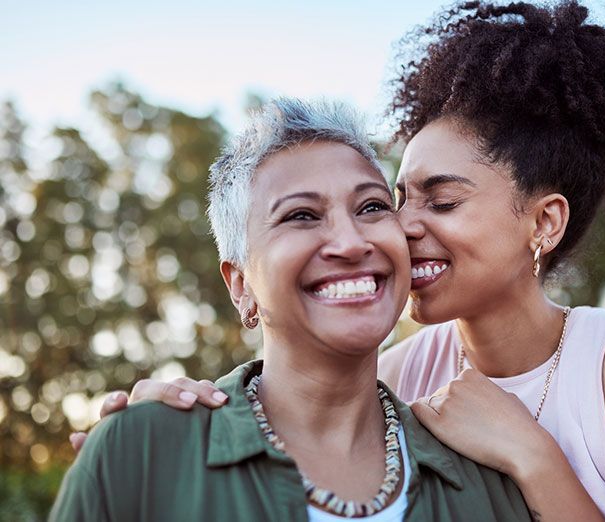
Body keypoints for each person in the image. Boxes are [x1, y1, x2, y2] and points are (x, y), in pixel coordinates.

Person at [72, 2, 605, 520]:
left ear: (544, 221)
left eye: (442, 202)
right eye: (397, 199)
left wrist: (535, 460)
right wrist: (162, 421)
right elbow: (287, 401)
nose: (400, 228)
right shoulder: (399, 376)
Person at [51, 97, 531, 521]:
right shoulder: (141, 454)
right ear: (241, 285)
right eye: (301, 216)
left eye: (371, 207)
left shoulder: (483, 476)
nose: (350, 241)